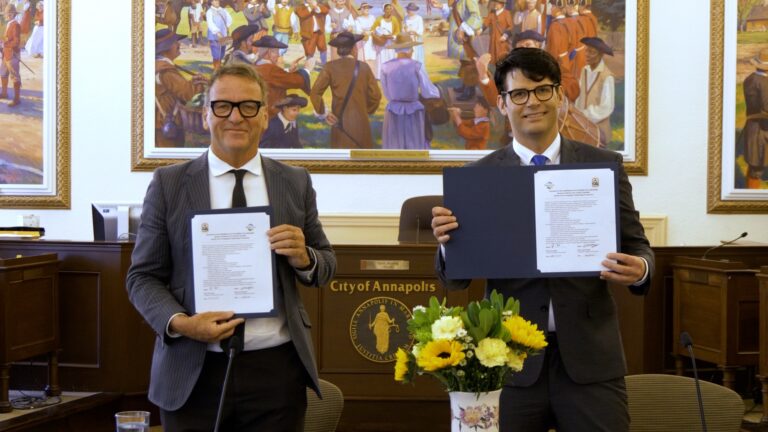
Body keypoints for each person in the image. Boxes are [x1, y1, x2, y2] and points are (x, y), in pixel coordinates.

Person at [431, 48, 654, 432]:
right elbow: (456, 280)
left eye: (542, 90)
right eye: (519, 94)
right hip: (508, 362)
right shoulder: (478, 179)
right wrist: (447, 243)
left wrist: (640, 270)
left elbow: (637, 245)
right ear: (502, 104)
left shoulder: (602, 165)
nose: (531, 102)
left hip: (590, 363)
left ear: (560, 96)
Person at [126, 63, 336, 431]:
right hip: (193, 370)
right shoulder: (169, 184)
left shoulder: (294, 182)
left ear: (265, 115)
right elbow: (142, 278)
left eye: (249, 106)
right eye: (223, 106)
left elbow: (327, 264)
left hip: (276, 372)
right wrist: (184, 324)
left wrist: (305, 258)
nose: (235, 116)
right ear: (206, 114)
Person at [309, 31, 382, 149]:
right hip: (361, 123)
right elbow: (375, 96)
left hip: (339, 123)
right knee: (363, 160)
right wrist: (365, 110)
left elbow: (315, 93)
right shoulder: (364, 67)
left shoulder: (329, 67)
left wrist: (324, 113)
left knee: (340, 161)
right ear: (353, 48)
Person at [154, 29, 206, 147]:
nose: (179, 44)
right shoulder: (166, 71)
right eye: (175, 42)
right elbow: (189, 94)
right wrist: (199, 83)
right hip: (167, 124)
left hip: (161, 122)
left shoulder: (160, 66)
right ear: (166, 48)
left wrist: (191, 82)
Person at [252, 35, 312, 119]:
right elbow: (297, 81)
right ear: (269, 52)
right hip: (272, 116)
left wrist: (288, 70)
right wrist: (307, 70)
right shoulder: (271, 70)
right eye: (276, 52)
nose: (278, 55)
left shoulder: (254, 66)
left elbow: (274, 78)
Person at [574, 37, 615, 148]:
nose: (587, 54)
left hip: (599, 131)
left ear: (601, 55)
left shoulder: (607, 76)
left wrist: (585, 115)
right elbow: (579, 97)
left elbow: (607, 107)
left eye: (592, 52)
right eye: (586, 50)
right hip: (582, 129)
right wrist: (577, 114)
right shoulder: (584, 70)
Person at [741, 48, 768, 189]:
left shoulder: (749, 79)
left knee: (754, 165)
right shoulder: (764, 83)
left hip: (753, 128)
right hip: (763, 130)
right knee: (757, 169)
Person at [295, 0, 330, 67]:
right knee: (309, 50)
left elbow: (326, 10)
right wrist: (311, 7)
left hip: (320, 32)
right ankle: (309, 66)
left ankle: (324, 65)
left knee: (323, 48)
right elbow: (302, 14)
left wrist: (316, 6)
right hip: (308, 33)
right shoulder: (300, 6)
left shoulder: (320, 4)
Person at [1, 3, 21, 107]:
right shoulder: (9, 24)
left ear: (14, 14)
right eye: (7, 13)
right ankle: (4, 93)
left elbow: (16, 42)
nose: (8, 15)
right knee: (3, 74)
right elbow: (8, 38)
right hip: (5, 54)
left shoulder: (16, 25)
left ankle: (17, 99)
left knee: (15, 76)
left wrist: (4, 43)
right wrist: (2, 42)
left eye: (10, 13)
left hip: (13, 55)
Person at [483, 0, 513, 65]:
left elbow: (510, 27)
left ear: (502, 4)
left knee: (502, 58)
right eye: (495, 2)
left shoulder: (506, 13)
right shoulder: (492, 13)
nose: (495, 4)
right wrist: (480, 29)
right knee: (492, 58)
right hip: (493, 40)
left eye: (497, 3)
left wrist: (505, 36)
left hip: (501, 40)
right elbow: (486, 23)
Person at [206, 0, 233, 70]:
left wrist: (226, 27)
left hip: (223, 36)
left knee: (222, 53)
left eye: (217, 0)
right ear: (211, 2)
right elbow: (210, 23)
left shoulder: (223, 10)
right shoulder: (209, 12)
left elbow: (229, 19)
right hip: (214, 36)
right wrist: (217, 32)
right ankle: (216, 69)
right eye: (214, 1)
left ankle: (219, 68)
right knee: (216, 54)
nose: (217, 2)